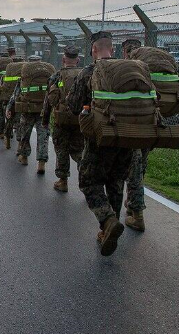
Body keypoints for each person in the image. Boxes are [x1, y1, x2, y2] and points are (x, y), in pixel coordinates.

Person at [66, 31, 131, 256]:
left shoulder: (89, 72)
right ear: (112, 50)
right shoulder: (130, 70)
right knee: (116, 181)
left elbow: (73, 105)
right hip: (127, 138)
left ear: (93, 50)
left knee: (88, 181)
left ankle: (107, 219)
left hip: (99, 138)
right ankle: (107, 228)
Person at [41, 45, 84, 192]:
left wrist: (45, 120)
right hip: (80, 120)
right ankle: (86, 181)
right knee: (79, 151)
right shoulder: (85, 75)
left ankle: (63, 181)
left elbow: (49, 101)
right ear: (78, 60)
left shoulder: (56, 76)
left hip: (61, 120)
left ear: (63, 59)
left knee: (61, 150)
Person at [121, 38, 148, 231]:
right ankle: (131, 207)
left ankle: (137, 214)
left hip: (132, 126)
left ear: (125, 52)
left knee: (134, 170)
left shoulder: (127, 69)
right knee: (139, 167)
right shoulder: (150, 67)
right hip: (152, 124)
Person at [8, 55, 50, 174]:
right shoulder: (47, 72)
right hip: (43, 109)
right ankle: (41, 163)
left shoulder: (25, 74)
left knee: (25, 132)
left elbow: (16, 94)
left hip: (27, 109)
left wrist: (10, 107)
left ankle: (24, 157)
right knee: (43, 136)